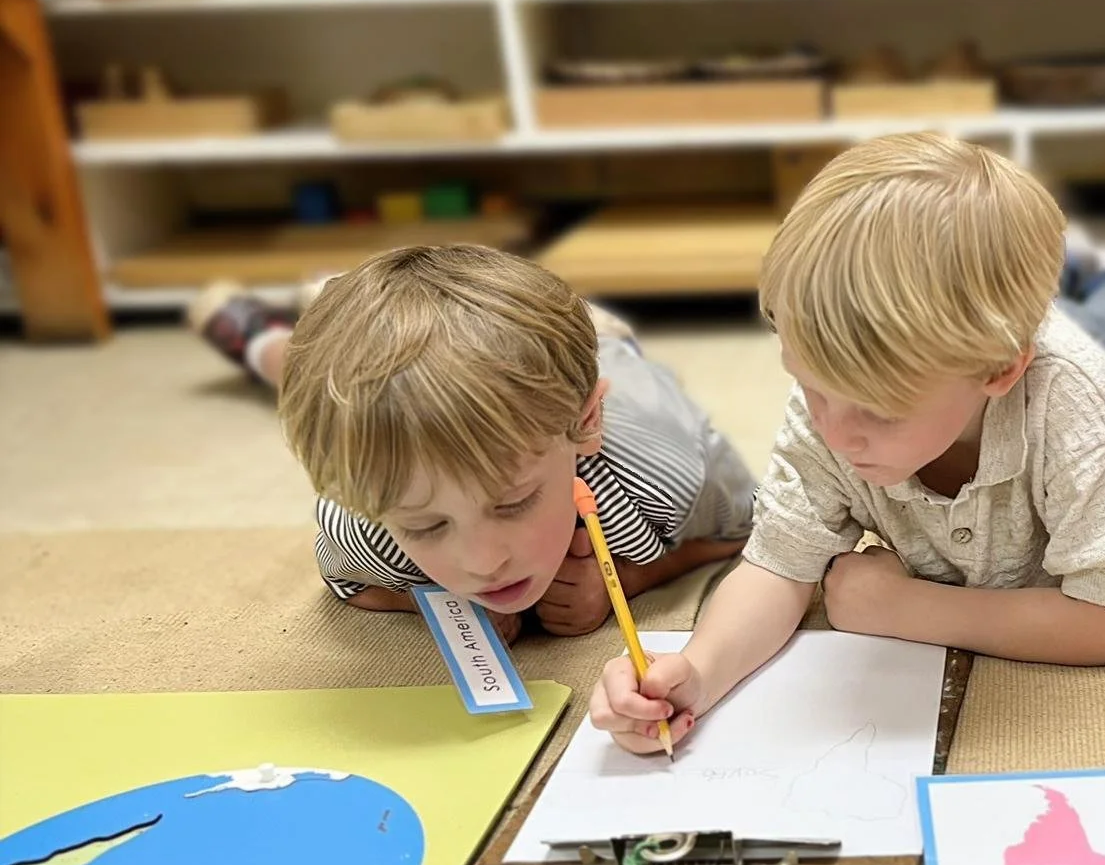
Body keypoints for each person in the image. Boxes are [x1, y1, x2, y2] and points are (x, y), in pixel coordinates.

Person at [589, 132, 1105, 754]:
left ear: (999, 369)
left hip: (1101, 398)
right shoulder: (839, 391)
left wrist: (901, 609)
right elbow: (778, 563)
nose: (835, 433)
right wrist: (697, 672)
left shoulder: (1076, 411)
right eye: (809, 387)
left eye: (879, 411)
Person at [258, 244, 753, 643]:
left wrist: (628, 578)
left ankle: (290, 316)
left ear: (585, 425)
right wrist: (441, 604)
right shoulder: (363, 524)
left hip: (604, 350)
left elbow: (749, 526)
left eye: (514, 502)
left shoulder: (660, 474)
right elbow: (349, 583)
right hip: (488, 338)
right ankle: (269, 334)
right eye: (426, 525)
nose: (482, 563)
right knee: (302, 369)